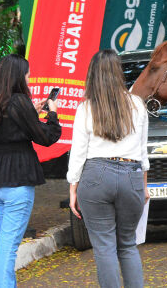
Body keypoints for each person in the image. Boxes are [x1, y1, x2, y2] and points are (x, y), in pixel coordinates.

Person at [67, 50, 149, 288]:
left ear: (92, 75)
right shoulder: (137, 105)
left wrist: (73, 187)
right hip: (132, 175)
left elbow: (78, 152)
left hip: (95, 176)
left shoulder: (86, 108)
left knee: (104, 247)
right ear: (118, 73)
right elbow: (143, 153)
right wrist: (143, 186)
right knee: (127, 244)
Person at [0, 55, 62, 287]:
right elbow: (46, 137)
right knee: (9, 247)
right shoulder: (20, 101)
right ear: (18, 75)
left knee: (5, 244)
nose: (28, 78)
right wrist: (53, 114)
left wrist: (31, 113)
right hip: (18, 179)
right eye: (27, 74)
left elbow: (7, 132)